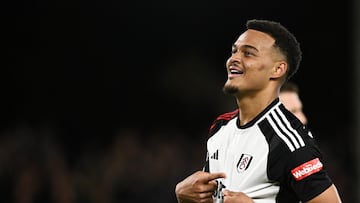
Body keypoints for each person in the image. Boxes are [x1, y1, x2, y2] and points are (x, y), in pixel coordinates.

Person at [175, 19, 342, 203]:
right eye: (234, 51)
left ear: (277, 69)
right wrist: (185, 196)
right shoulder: (220, 126)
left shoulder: (287, 141)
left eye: (248, 53)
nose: (234, 59)